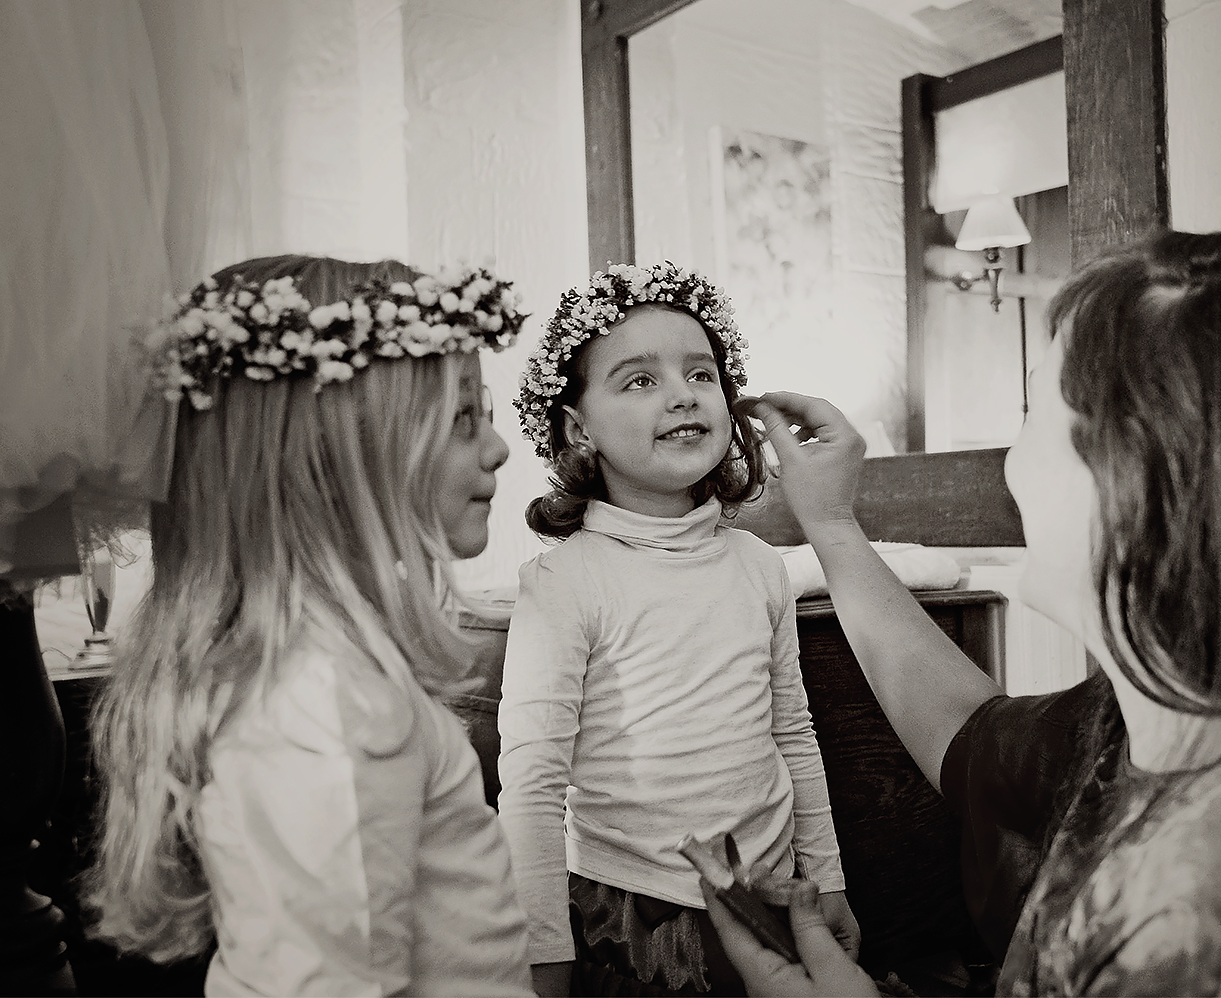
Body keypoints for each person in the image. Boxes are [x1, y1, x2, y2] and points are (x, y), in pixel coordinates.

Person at [701, 230, 1221, 996]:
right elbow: (969, 740)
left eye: (1036, 408)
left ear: (1135, 480)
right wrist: (832, 526)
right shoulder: (1152, 724)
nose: (1013, 463)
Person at [84, 255, 536, 996]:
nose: (496, 446)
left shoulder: (327, 673)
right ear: (338, 453)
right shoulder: (325, 701)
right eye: (461, 418)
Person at [498, 262, 858, 996]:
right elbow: (533, 781)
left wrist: (826, 876)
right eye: (638, 380)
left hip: (770, 894)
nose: (682, 393)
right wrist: (542, 949)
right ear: (578, 427)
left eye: (701, 372)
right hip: (633, 911)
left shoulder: (757, 564)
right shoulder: (564, 582)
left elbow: (792, 732)